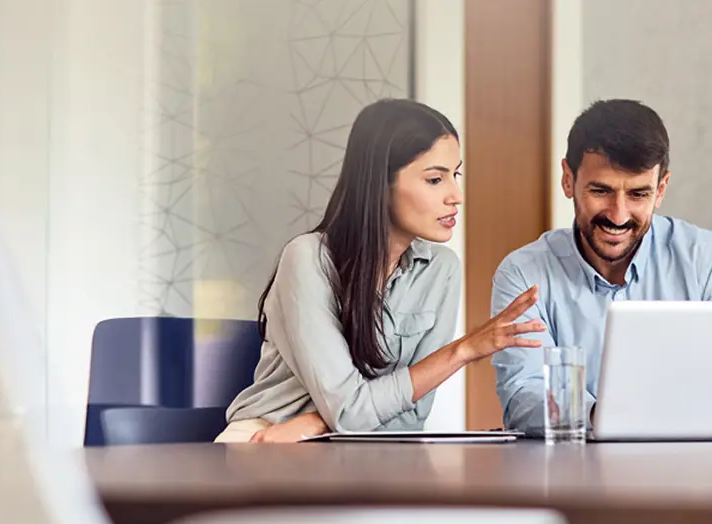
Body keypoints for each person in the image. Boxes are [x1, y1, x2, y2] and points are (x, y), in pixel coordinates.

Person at [470, 98, 712, 524]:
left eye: (638, 194)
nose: (618, 214)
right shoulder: (524, 273)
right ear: (568, 179)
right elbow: (524, 395)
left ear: (661, 188)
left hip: (695, 512)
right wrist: (610, 416)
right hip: (576, 519)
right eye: (600, 191)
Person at [218, 97, 541, 446]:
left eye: (455, 174)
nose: (456, 195)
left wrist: (317, 423)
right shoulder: (307, 259)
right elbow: (350, 412)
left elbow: (411, 416)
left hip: (362, 445)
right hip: (268, 442)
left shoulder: (441, 269)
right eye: (435, 179)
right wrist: (462, 350)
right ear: (379, 183)